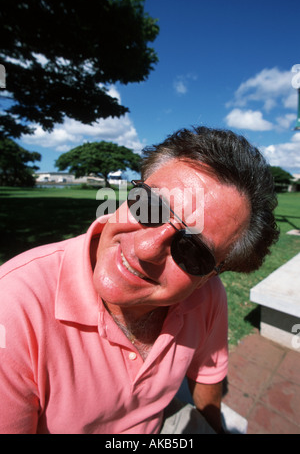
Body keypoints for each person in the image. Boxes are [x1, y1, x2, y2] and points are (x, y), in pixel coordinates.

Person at [0, 127, 279, 434]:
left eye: (192, 250)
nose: (146, 249)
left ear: (211, 274)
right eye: (149, 206)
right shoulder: (12, 306)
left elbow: (207, 374)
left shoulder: (208, 295)